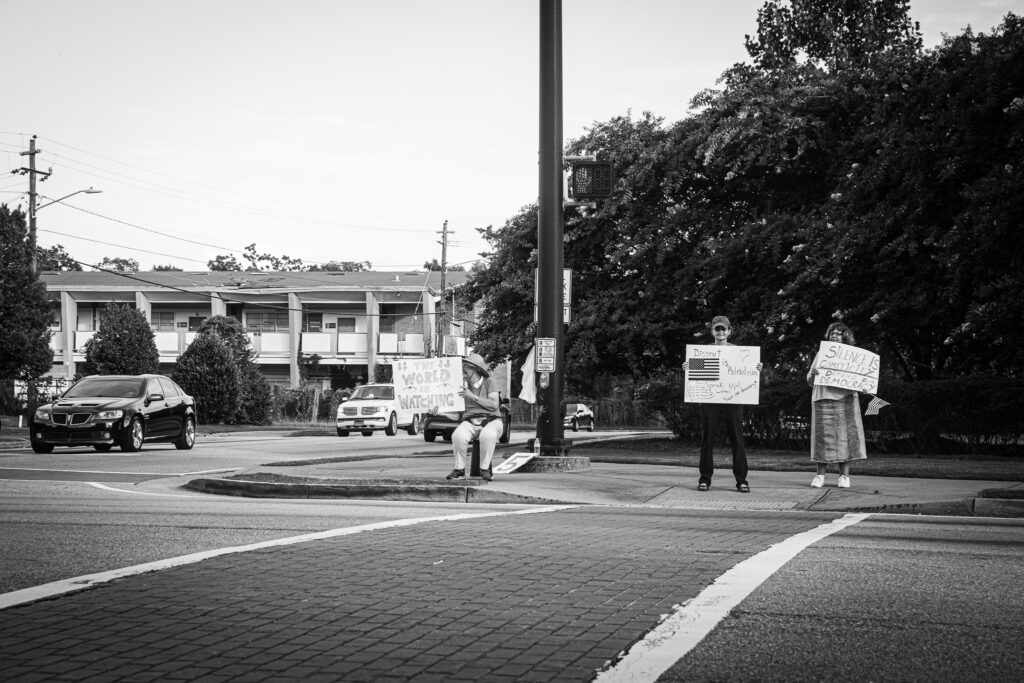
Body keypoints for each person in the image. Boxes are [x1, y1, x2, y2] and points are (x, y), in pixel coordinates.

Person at [682, 315, 760, 493]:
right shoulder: (703, 352)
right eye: (717, 329)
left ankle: (742, 480)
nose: (720, 332)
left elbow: (747, 373)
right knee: (707, 439)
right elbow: (696, 375)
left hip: (734, 399)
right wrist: (688, 367)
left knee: (737, 439)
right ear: (712, 331)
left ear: (729, 331)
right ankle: (704, 479)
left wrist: (756, 368)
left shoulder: (739, 352)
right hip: (710, 400)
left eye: (723, 329)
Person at [806, 322, 867, 488]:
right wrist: (813, 374)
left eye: (838, 333)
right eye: (832, 333)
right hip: (822, 397)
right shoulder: (821, 353)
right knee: (822, 438)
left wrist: (865, 385)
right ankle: (820, 475)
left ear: (845, 336)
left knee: (845, 438)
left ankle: (844, 476)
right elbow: (809, 381)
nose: (834, 335)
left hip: (846, 398)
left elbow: (861, 380)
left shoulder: (853, 355)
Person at [445, 353, 504, 482]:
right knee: (458, 435)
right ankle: (459, 470)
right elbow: (455, 414)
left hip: (492, 420)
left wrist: (472, 396)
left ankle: (484, 470)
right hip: (470, 421)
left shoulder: (489, 382)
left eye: (466, 366)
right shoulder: (461, 387)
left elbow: (494, 405)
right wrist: (439, 412)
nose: (463, 368)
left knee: (488, 435)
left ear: (476, 369)